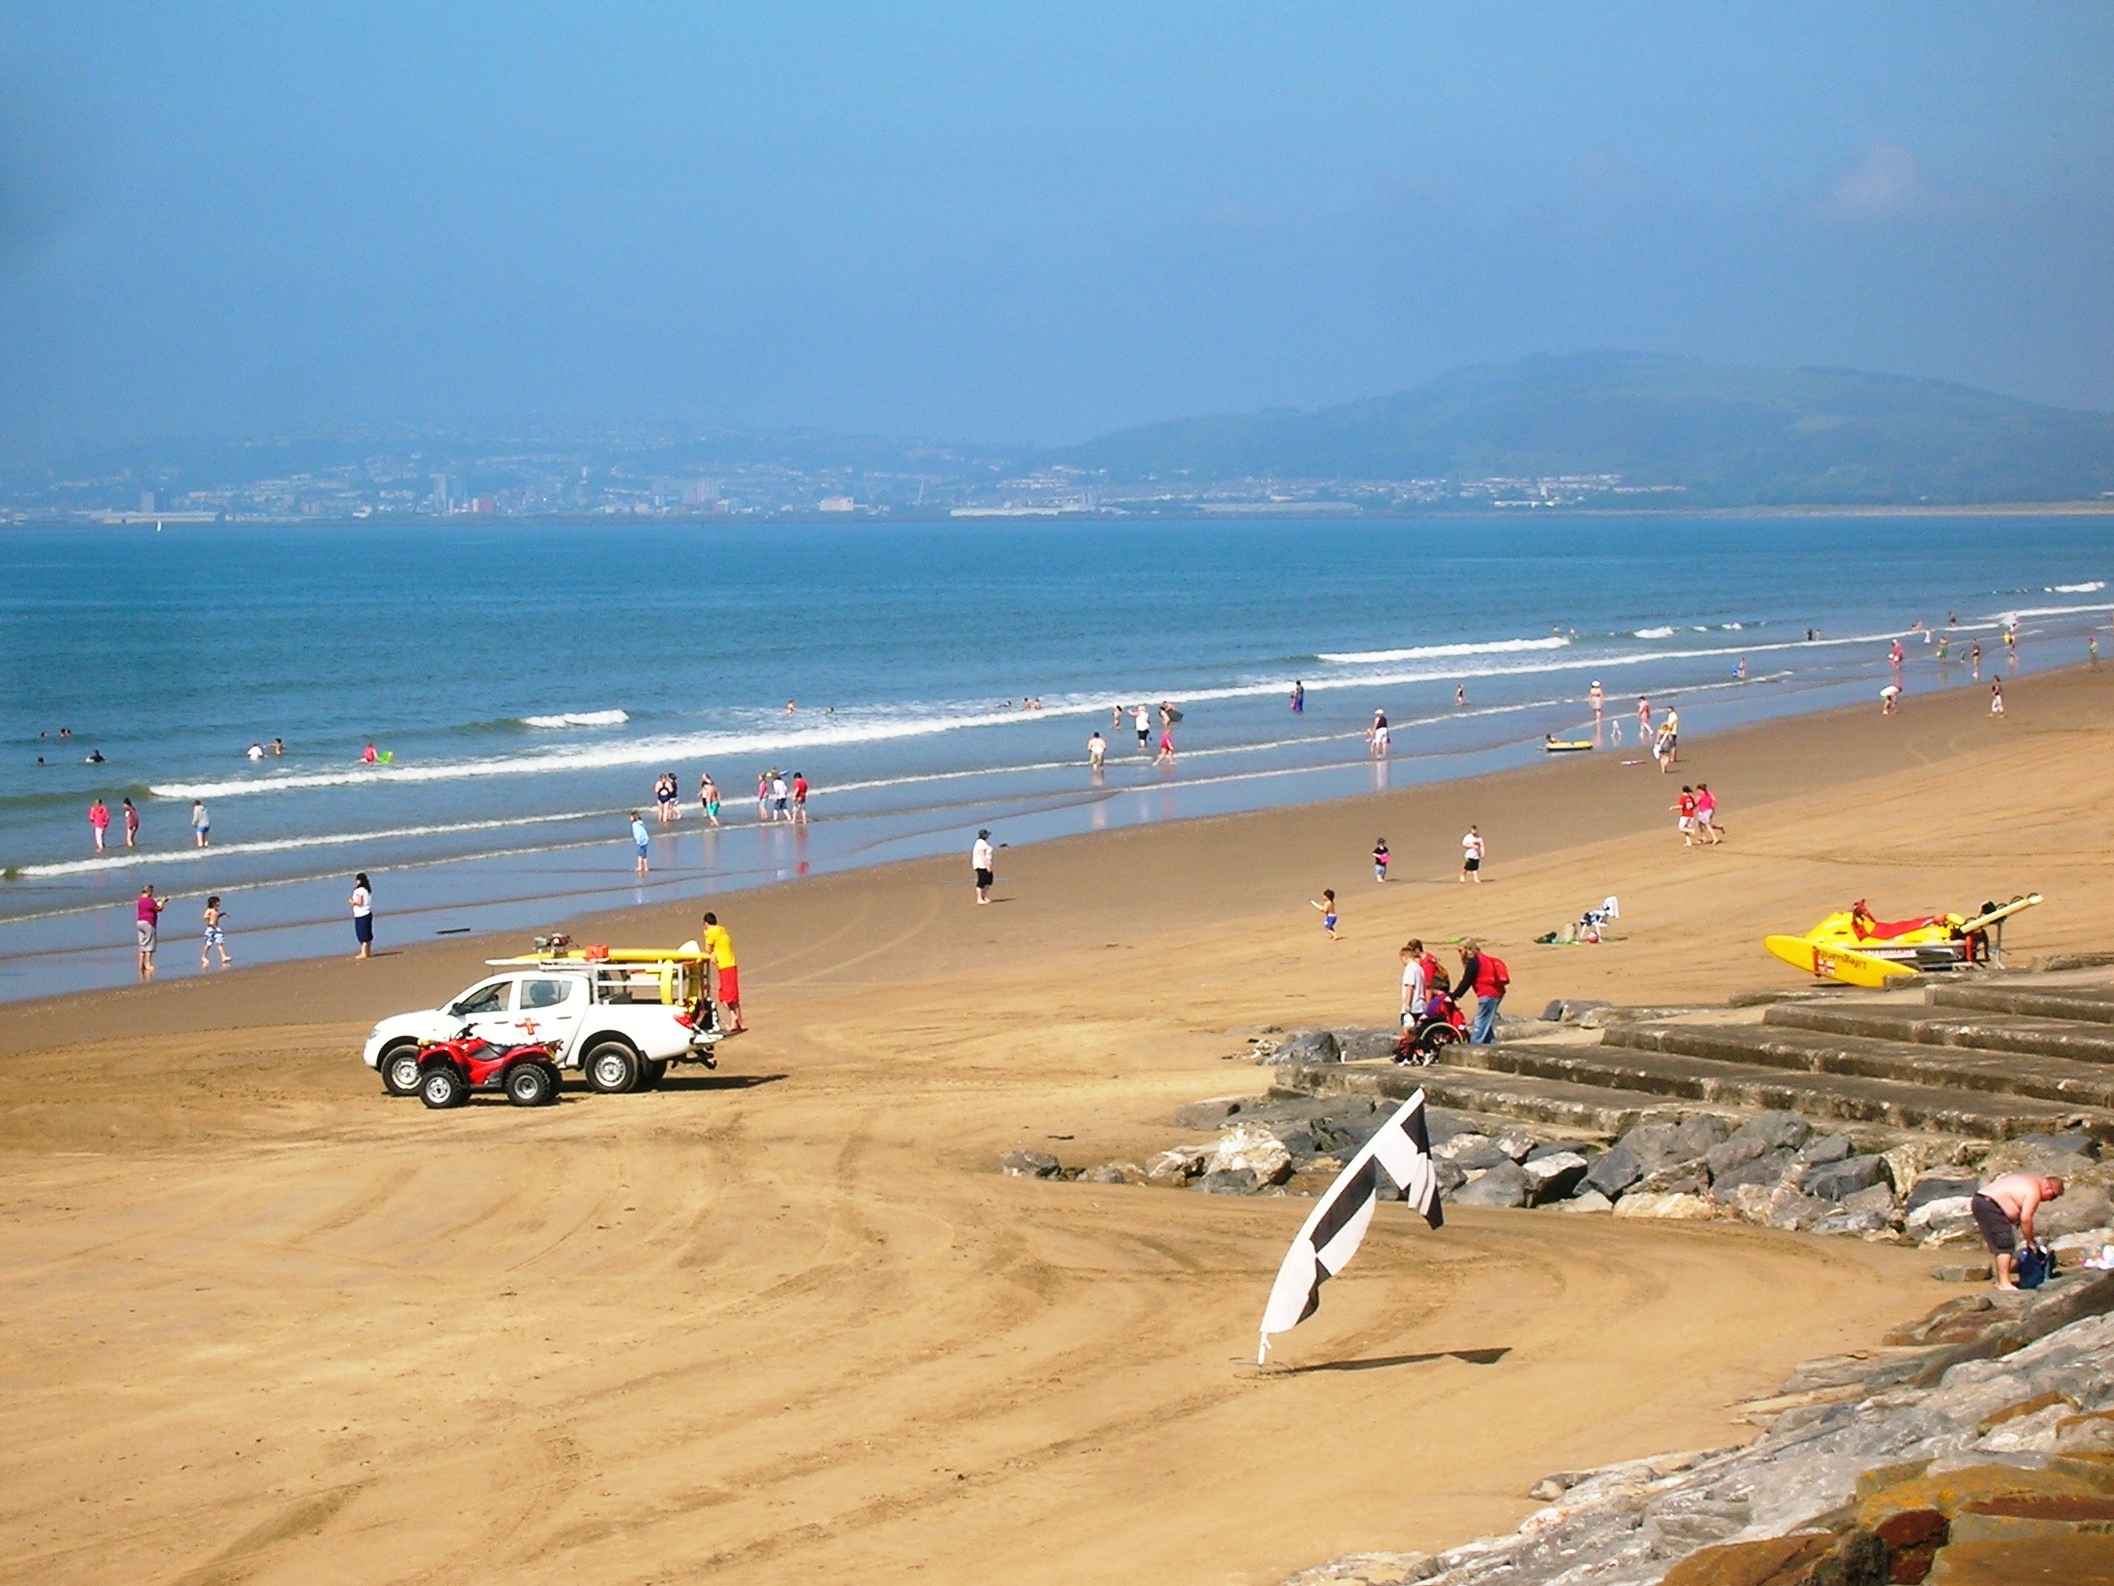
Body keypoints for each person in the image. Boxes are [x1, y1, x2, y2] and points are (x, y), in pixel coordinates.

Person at [1972, 1173, 2063, 1290]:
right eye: (2053, 1196)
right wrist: (2030, 1242)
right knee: (2005, 1243)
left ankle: (2003, 1279)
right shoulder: (2034, 1190)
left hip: (1982, 1200)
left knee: (2003, 1243)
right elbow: (2026, 1218)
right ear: (2048, 1188)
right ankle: (2004, 1283)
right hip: (1990, 1203)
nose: (2050, 1200)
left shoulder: (2030, 1179)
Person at [1451, 939, 1509, 1044]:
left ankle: (1473, 1048)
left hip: (1488, 994)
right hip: (1495, 993)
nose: (1460, 954)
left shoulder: (1474, 961)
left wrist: (1454, 995)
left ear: (1467, 949)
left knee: (1479, 1024)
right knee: (1486, 1025)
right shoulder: (1481, 958)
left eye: (1460, 951)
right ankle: (1492, 1046)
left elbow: (1466, 981)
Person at [701, 911, 744, 1032]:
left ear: (706, 924)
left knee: (724, 997)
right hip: (731, 964)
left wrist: (706, 936)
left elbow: (708, 949)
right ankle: (739, 1023)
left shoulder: (710, 932)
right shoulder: (722, 930)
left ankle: (733, 1016)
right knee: (733, 996)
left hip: (725, 966)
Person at [135, 885, 164, 979]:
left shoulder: (140, 900)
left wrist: (159, 902)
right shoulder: (148, 901)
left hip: (140, 922)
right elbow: (158, 908)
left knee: (142, 944)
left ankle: (141, 964)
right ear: (149, 891)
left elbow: (154, 906)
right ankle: (148, 964)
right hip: (148, 923)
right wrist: (162, 902)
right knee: (149, 944)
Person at [1399, 938, 1428, 1030]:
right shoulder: (1419, 968)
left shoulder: (1410, 968)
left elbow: (1410, 986)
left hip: (1413, 1007)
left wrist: (1407, 1004)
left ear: (1405, 957)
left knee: (1407, 1031)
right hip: (1420, 1006)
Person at [200, 895, 231, 969]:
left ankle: (223, 957)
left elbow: (217, 916)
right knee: (208, 943)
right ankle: (203, 957)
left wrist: (223, 914)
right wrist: (209, 917)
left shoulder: (216, 910)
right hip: (210, 929)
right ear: (213, 903)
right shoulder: (209, 910)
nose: (219, 903)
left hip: (216, 928)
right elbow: (204, 917)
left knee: (219, 943)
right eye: (217, 902)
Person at [350, 873, 374, 959]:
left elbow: (360, 902)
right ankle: (368, 951)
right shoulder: (367, 890)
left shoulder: (359, 890)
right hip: (368, 912)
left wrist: (352, 902)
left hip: (361, 914)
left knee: (362, 934)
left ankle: (364, 953)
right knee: (368, 933)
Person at [972, 829, 994, 905]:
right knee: (982, 881)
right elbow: (982, 855)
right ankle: (979, 898)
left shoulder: (983, 842)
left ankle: (984, 896)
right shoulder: (980, 843)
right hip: (981, 865)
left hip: (985, 864)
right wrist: (987, 865)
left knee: (989, 880)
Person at [630, 810, 650, 876]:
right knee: (642, 854)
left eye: (631, 817)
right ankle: (643, 866)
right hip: (645, 839)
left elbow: (637, 833)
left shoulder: (635, 824)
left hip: (641, 840)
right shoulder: (641, 823)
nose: (630, 818)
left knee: (642, 854)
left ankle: (643, 867)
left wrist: (638, 840)